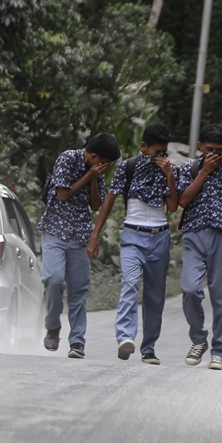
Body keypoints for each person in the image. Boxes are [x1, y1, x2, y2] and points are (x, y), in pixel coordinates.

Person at [88, 123, 178, 365]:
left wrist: (169, 175)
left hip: (159, 235)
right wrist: (95, 235)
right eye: (156, 151)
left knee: (154, 295)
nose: (161, 156)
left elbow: (172, 207)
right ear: (144, 146)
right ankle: (125, 338)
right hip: (132, 235)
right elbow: (109, 201)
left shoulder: (169, 169)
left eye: (164, 152)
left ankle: (149, 348)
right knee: (129, 282)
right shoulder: (127, 167)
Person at [38, 132, 121, 358]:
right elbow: (63, 194)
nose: (106, 167)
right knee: (53, 280)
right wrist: (87, 176)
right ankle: (52, 327)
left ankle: (77, 342)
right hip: (55, 230)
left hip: (80, 235)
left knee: (78, 290)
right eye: (104, 162)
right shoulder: (67, 159)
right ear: (94, 156)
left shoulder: (98, 170)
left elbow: (95, 204)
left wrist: (94, 178)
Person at [176, 124, 222, 370]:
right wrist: (204, 173)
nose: (213, 155)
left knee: (221, 297)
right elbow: (182, 200)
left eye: (218, 151)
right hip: (194, 236)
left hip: (221, 237)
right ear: (200, 147)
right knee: (189, 289)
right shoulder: (189, 168)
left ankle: (219, 350)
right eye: (209, 150)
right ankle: (198, 340)